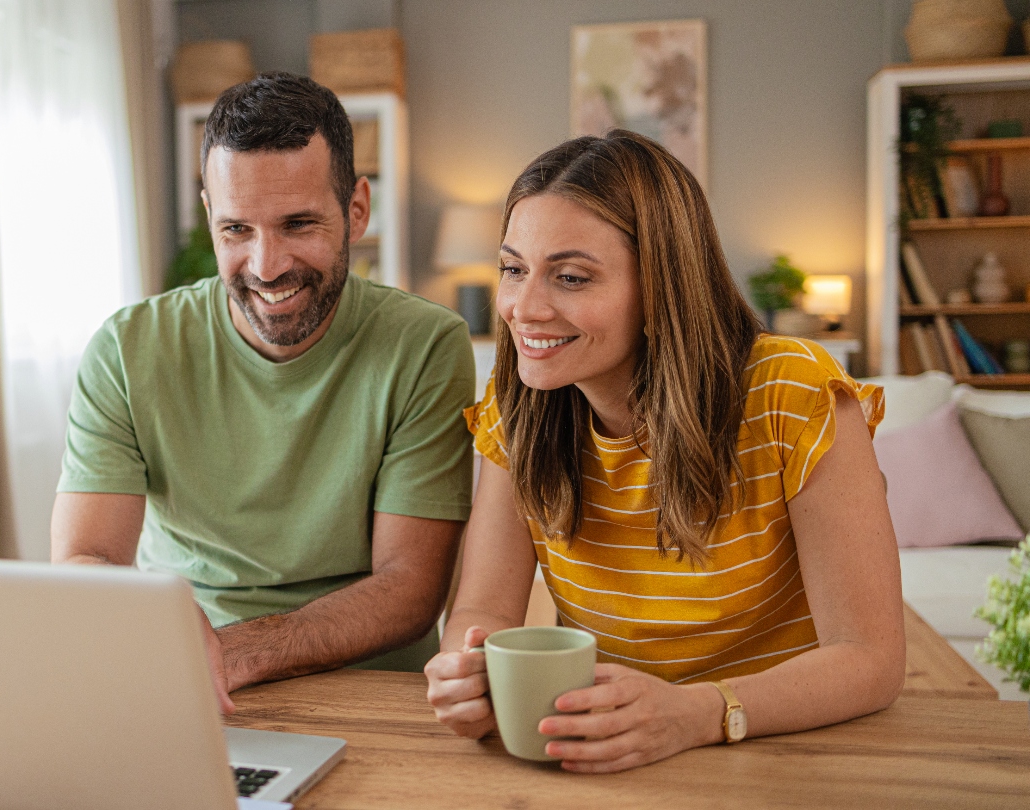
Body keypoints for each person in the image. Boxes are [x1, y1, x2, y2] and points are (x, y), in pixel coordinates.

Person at [424, 131, 904, 772]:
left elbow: (869, 659)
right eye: (513, 268)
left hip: (784, 752)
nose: (522, 308)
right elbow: (482, 610)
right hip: (611, 752)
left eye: (569, 277)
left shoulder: (795, 393)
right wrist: (467, 670)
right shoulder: (516, 407)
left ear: (662, 287)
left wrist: (699, 714)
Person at [52, 73, 474, 713]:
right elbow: (84, 558)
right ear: (208, 216)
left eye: (298, 224)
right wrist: (175, 644)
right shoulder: (127, 349)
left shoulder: (425, 345)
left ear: (357, 209)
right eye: (236, 230)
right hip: (190, 683)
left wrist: (233, 652)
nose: (266, 264)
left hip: (368, 690)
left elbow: (410, 588)